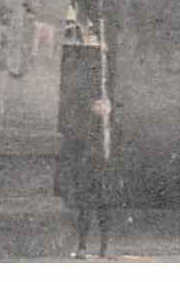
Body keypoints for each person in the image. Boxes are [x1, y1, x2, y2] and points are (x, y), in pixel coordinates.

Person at [66, 97, 116, 259]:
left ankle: (104, 247)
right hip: (90, 174)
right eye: (98, 105)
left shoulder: (116, 129)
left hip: (108, 175)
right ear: (92, 107)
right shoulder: (87, 128)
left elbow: (121, 152)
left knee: (106, 212)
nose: (102, 108)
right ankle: (82, 246)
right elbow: (80, 150)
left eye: (105, 105)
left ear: (110, 108)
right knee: (86, 211)